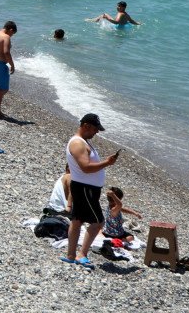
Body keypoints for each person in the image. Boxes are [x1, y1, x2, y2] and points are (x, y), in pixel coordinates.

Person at [63, 113, 119, 268]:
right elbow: (86, 167)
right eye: (95, 129)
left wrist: (105, 163)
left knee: (77, 221)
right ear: (86, 126)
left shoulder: (82, 142)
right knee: (98, 222)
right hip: (85, 188)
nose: (97, 132)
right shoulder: (78, 143)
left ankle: (71, 255)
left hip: (85, 187)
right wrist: (107, 163)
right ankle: (82, 254)